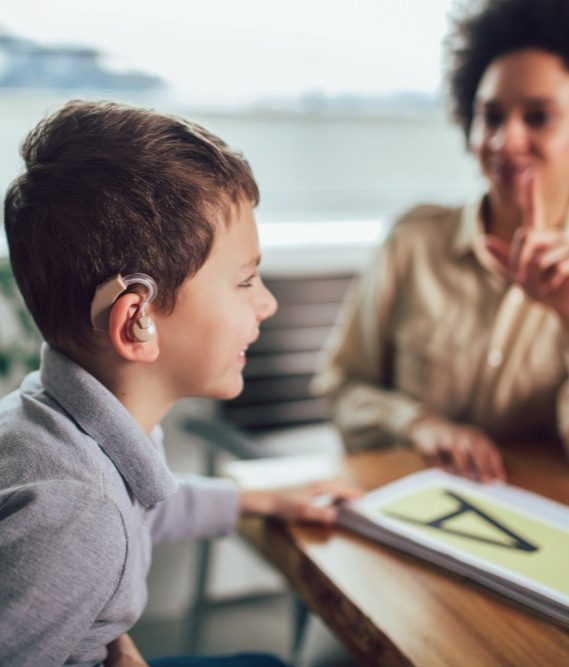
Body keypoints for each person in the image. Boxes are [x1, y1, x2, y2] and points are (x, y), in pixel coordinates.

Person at [0, 100, 360, 667]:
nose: (267, 302)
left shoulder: (64, 423)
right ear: (136, 322)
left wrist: (257, 499)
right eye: (245, 281)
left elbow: (148, 503)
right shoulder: (77, 516)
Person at [313, 0, 569, 483]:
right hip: (412, 504)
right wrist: (417, 424)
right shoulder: (414, 243)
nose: (504, 141)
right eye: (490, 116)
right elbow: (341, 387)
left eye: (537, 117)